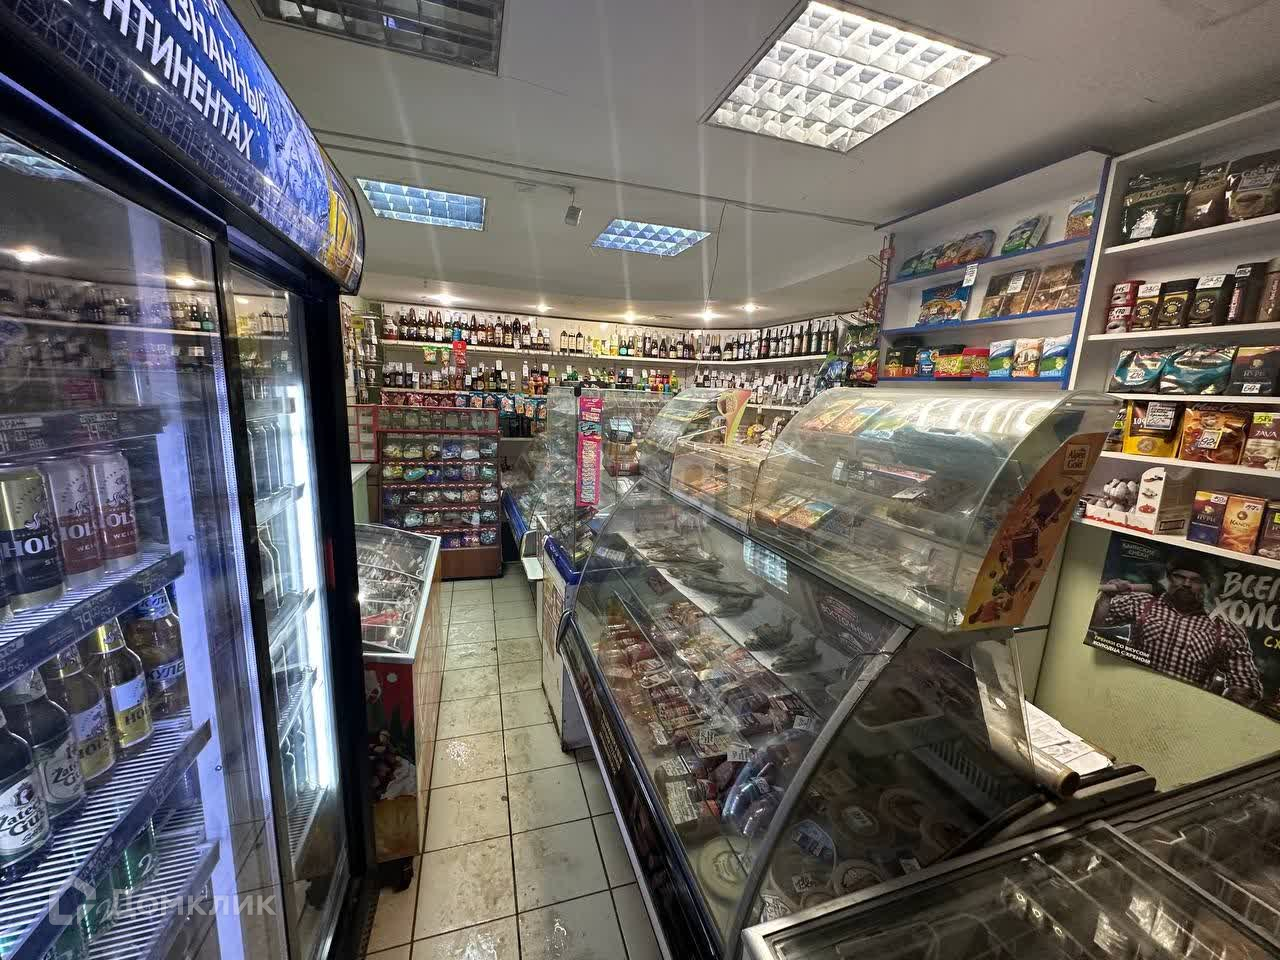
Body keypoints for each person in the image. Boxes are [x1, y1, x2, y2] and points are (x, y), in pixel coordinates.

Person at [1091, 551, 1263, 706]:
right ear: (1169, 579)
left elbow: (1246, 685)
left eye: (1196, 580)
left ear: (1207, 586)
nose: (1186, 583)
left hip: (1183, 709)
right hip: (1129, 696)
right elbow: (1096, 623)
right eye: (1179, 577)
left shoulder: (1225, 630)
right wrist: (1106, 596)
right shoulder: (1141, 603)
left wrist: (1214, 711)